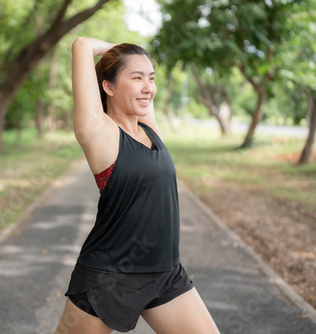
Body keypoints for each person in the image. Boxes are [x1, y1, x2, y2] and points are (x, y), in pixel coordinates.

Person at [54, 37, 220, 334]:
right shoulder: (99, 133)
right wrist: (119, 49)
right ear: (108, 87)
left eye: (151, 78)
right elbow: (80, 44)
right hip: (110, 275)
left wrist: (134, 60)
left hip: (165, 273)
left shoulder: (150, 129)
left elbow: (145, 98)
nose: (148, 87)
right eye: (137, 77)